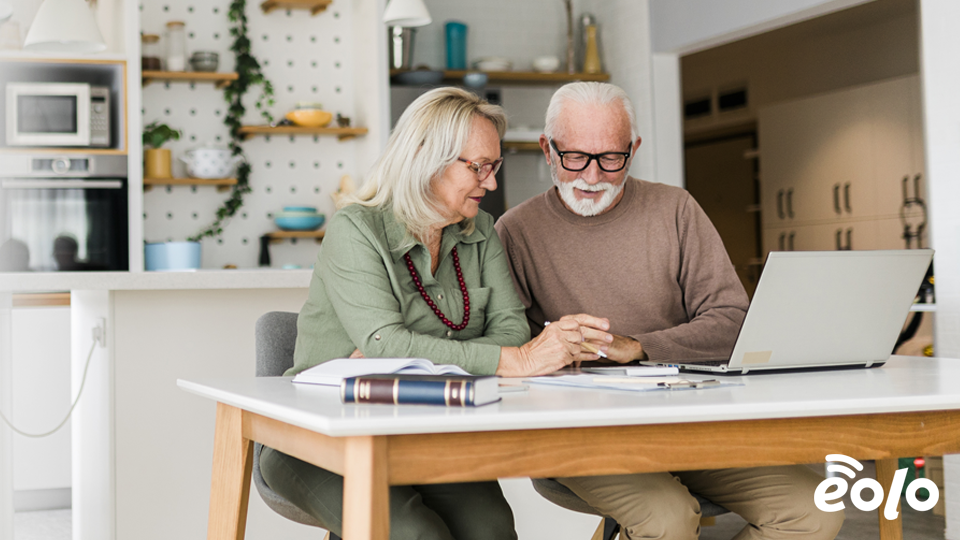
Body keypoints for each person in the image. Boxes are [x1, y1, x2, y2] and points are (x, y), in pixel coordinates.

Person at [495, 82, 844, 540]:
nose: (592, 175)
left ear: (633, 149)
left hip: (691, 428)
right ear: (547, 149)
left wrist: (640, 347)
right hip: (582, 437)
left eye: (611, 158)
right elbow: (506, 353)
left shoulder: (676, 209)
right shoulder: (515, 232)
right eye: (575, 157)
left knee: (814, 509)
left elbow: (732, 321)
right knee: (668, 517)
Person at [261, 87, 609, 540]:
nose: (491, 183)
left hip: (426, 430)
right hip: (319, 436)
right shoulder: (356, 229)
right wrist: (512, 360)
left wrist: (408, 364)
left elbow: (509, 328)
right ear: (427, 157)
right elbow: (387, 342)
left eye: (494, 166)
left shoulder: (481, 231)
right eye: (479, 167)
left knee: (494, 530)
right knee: (414, 534)